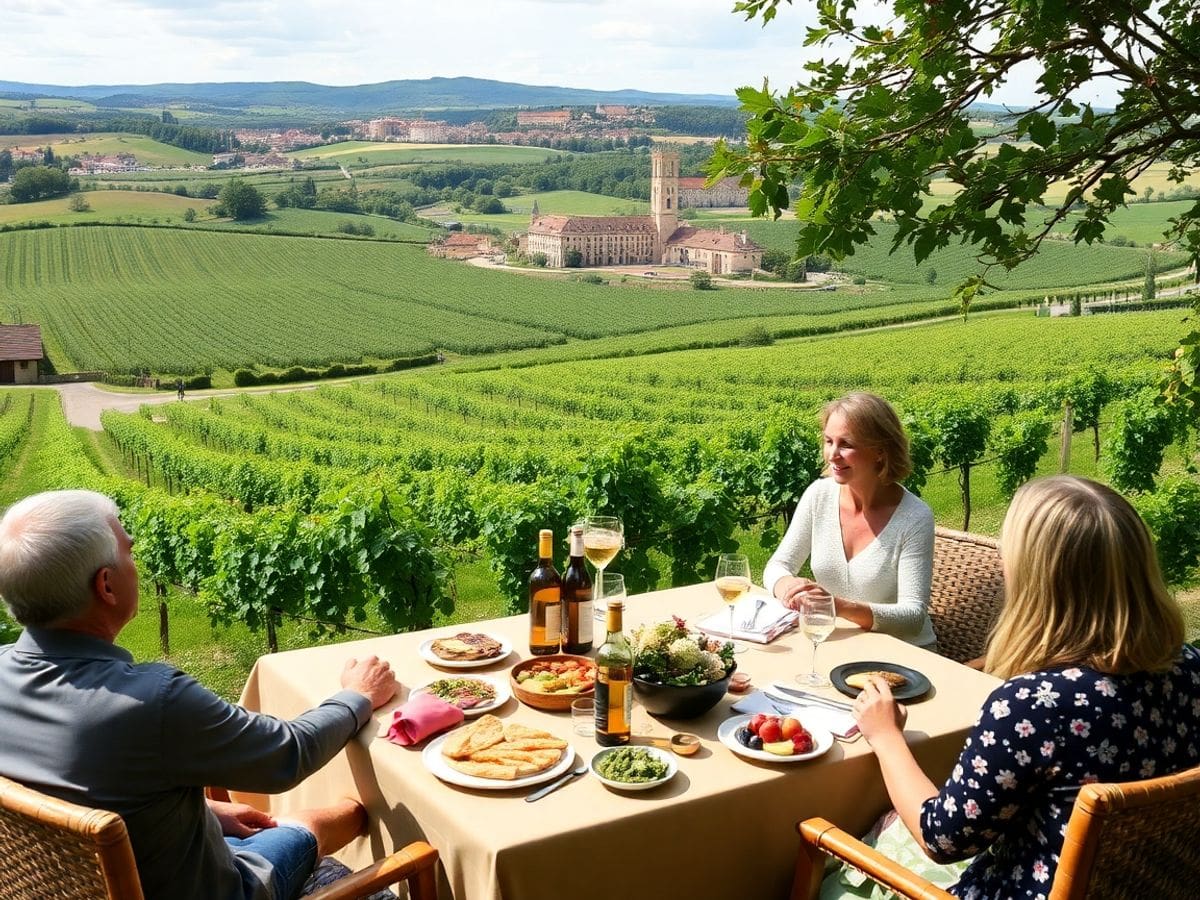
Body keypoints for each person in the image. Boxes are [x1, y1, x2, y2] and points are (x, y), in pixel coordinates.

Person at [0, 490, 399, 900]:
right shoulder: (152, 702)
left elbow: (63, 782)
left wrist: (206, 811)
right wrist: (357, 695)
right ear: (106, 585)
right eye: (129, 554)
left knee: (260, 819)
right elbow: (287, 755)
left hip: (83, 882)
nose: (136, 565)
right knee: (345, 812)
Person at [848, 475, 1199, 898]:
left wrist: (886, 737)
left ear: (1038, 578)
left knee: (837, 860)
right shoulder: (1191, 669)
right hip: (1154, 886)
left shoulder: (1032, 706)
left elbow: (941, 838)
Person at [763, 392, 936, 648]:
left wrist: (835, 606)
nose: (833, 454)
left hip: (902, 658)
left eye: (846, 444)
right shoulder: (819, 495)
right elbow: (778, 565)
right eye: (828, 441)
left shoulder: (915, 518)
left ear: (879, 451)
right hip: (838, 645)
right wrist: (787, 586)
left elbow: (912, 616)